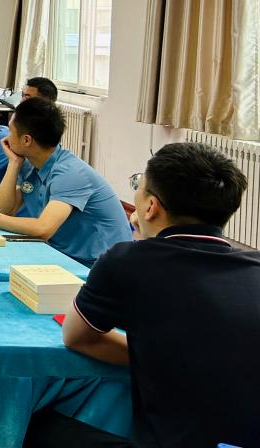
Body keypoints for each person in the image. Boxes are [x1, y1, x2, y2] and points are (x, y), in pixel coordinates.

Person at [24, 143, 260, 448]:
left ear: (150, 207)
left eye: (138, 185)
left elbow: (76, 337)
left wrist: (157, 353)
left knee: (33, 424)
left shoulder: (127, 261)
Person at [0, 98, 130, 265]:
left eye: (11, 132)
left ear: (26, 140)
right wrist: (13, 164)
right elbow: (3, 209)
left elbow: (43, 229)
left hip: (98, 266)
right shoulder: (30, 163)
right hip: (62, 253)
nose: (6, 138)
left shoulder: (70, 173)